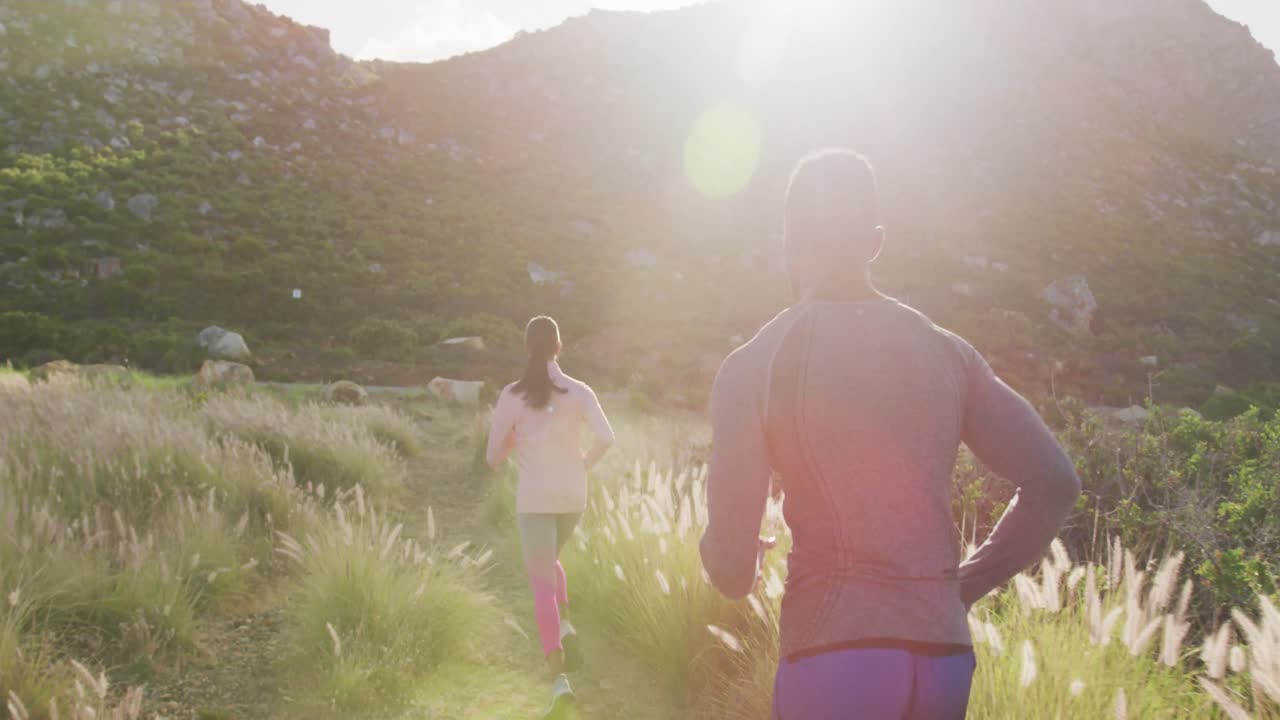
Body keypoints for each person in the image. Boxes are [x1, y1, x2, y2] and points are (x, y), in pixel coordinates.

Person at [699, 149, 1082, 719]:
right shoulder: (948, 352)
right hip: (943, 655)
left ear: (789, 239)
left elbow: (731, 573)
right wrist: (961, 586)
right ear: (876, 242)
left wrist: (737, 554)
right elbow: (1056, 482)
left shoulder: (754, 364)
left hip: (832, 656)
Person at [487, 315, 615, 719]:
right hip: (573, 496)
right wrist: (582, 464)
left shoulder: (512, 395)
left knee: (541, 584)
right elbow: (606, 438)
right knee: (551, 559)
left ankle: (558, 681)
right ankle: (567, 625)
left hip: (535, 498)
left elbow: (492, 458)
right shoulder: (580, 390)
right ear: (559, 347)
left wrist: (515, 438)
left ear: (527, 348)